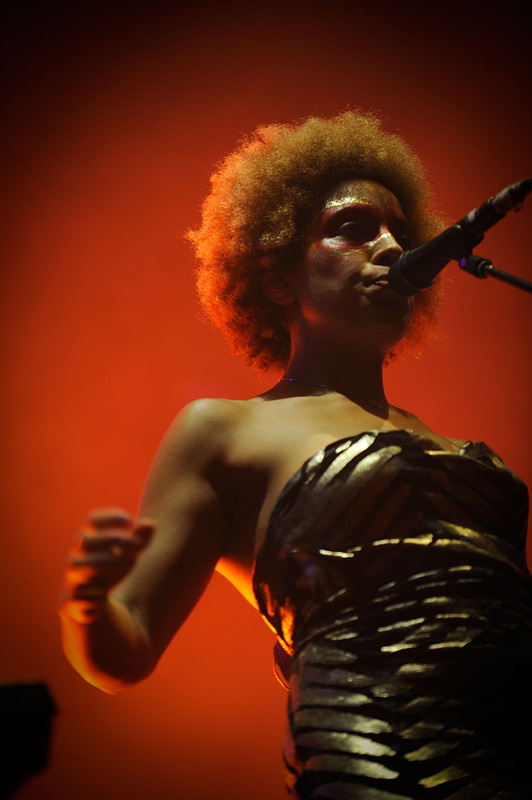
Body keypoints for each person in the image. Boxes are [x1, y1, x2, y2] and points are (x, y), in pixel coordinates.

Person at [59, 111, 532, 799]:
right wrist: (87, 607)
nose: (391, 247)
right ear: (280, 278)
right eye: (353, 228)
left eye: (400, 233)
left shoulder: (459, 452)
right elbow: (127, 647)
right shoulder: (225, 431)